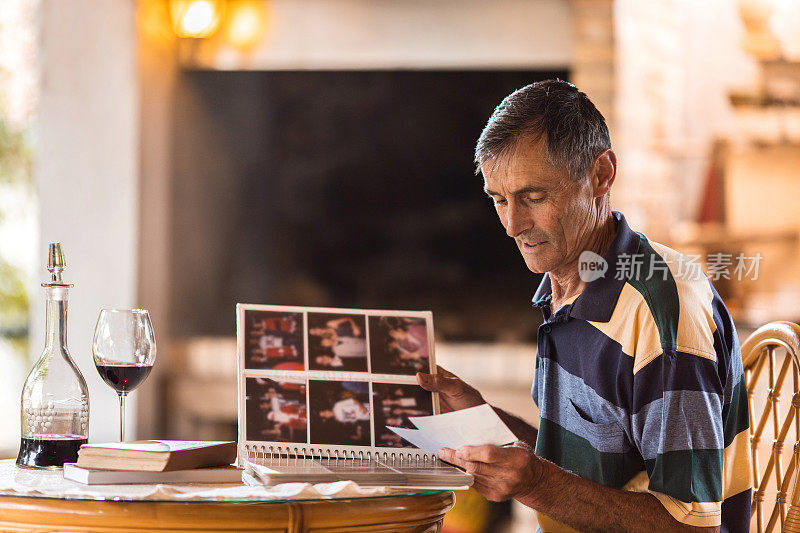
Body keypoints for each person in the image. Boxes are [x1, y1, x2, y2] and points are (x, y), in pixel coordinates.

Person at [417, 80, 751, 533]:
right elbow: (592, 471)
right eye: (500, 200)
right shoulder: (567, 285)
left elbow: (696, 527)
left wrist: (535, 485)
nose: (513, 225)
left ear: (601, 175)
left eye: (534, 197)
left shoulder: (660, 317)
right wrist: (482, 421)